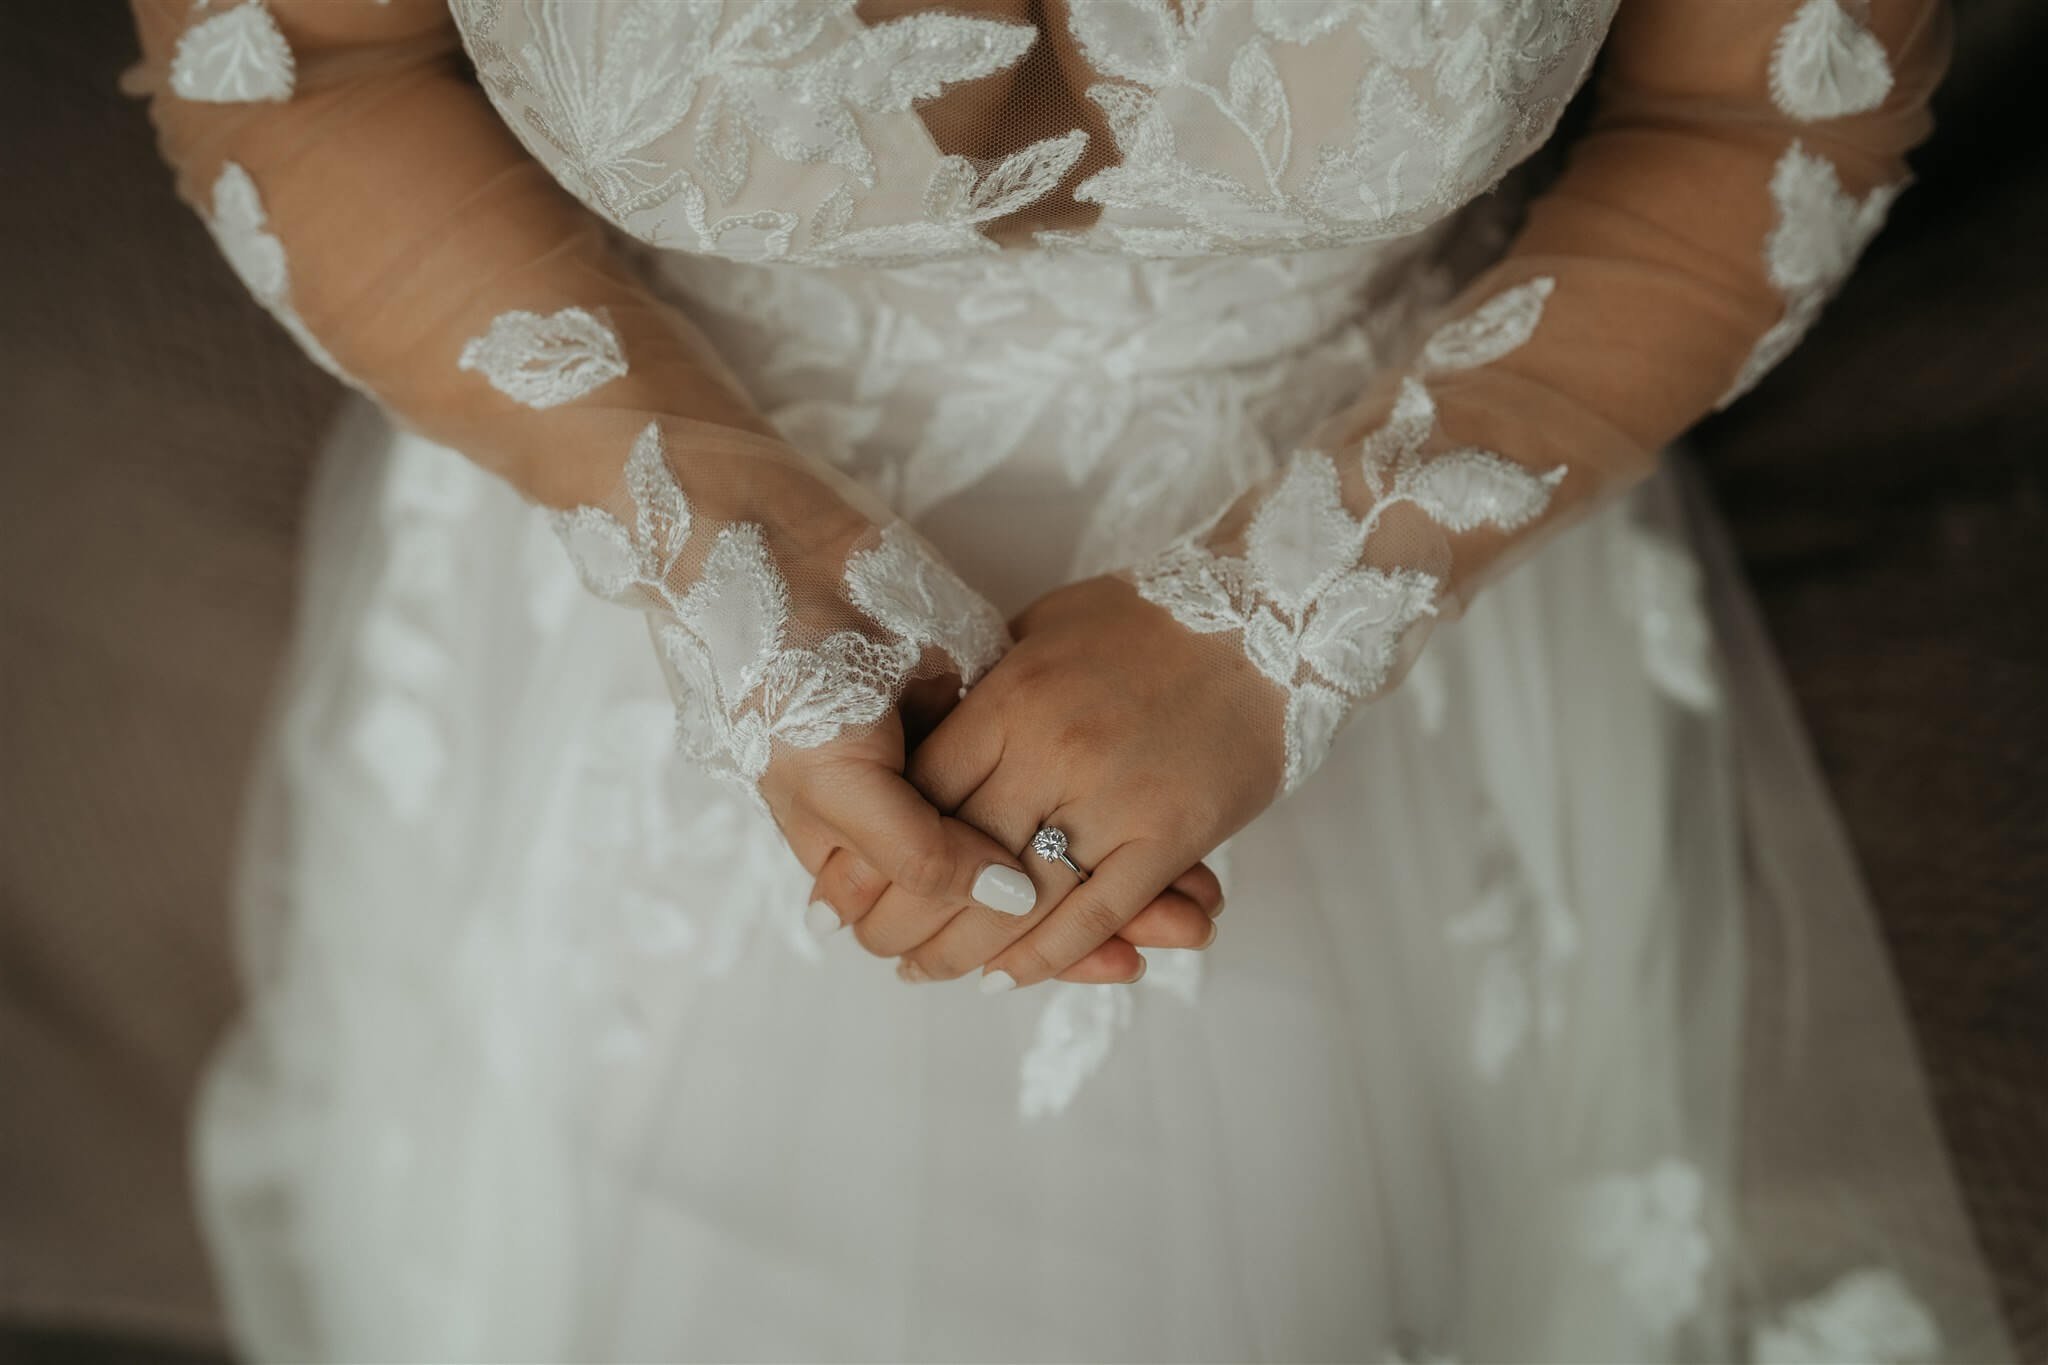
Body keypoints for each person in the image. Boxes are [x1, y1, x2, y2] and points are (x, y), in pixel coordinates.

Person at [126, 0, 2009, 1359]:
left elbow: (1764, 118)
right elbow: (310, 57)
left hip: (1403, 610)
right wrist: (710, 543)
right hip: (646, 643)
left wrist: (1291, 615)